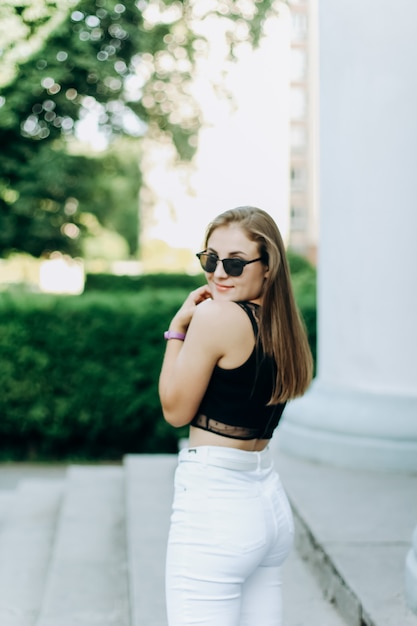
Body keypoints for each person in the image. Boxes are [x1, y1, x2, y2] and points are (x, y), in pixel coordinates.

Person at [159, 206, 313, 626]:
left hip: (217, 511)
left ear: (268, 268)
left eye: (234, 262)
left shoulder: (215, 316)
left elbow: (175, 410)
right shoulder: (282, 328)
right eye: (210, 260)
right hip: (267, 505)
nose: (219, 273)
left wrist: (177, 328)